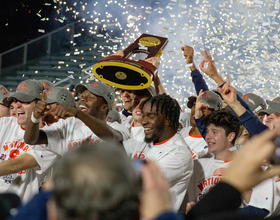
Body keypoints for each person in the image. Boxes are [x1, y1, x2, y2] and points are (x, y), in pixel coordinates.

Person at [123, 93, 193, 211]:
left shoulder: (179, 153)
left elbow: (138, 182)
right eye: (143, 115)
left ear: (168, 120)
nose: (143, 121)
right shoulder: (146, 139)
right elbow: (115, 148)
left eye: (150, 116)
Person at [24, 80, 130, 156]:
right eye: (82, 96)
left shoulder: (117, 127)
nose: (83, 100)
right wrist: (35, 117)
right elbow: (31, 139)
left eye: (90, 98)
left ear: (104, 107)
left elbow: (111, 136)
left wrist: (78, 113)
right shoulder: (68, 125)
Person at [0, 79, 58, 204]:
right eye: (15, 101)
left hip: (18, 211)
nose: (17, 105)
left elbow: (16, 165)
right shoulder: (4, 123)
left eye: (25, 101)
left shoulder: (51, 138)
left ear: (42, 106)